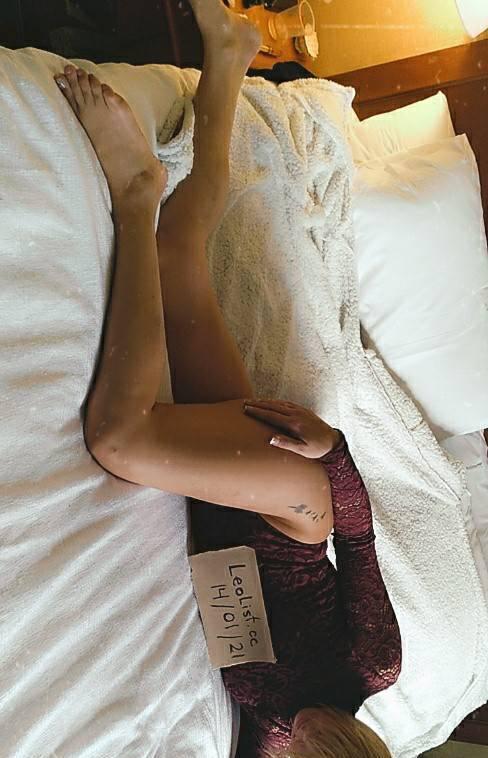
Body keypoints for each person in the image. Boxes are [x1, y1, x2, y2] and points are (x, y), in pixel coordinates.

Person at [53, 0, 402, 755]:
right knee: (118, 440)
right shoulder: (373, 665)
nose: (305, 733)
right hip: (289, 506)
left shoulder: (269, 737)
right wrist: (333, 449)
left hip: (220, 504)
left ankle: (229, 56)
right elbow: (359, 538)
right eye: (325, 742)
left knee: (180, 252)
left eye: (300, 751)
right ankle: (137, 191)